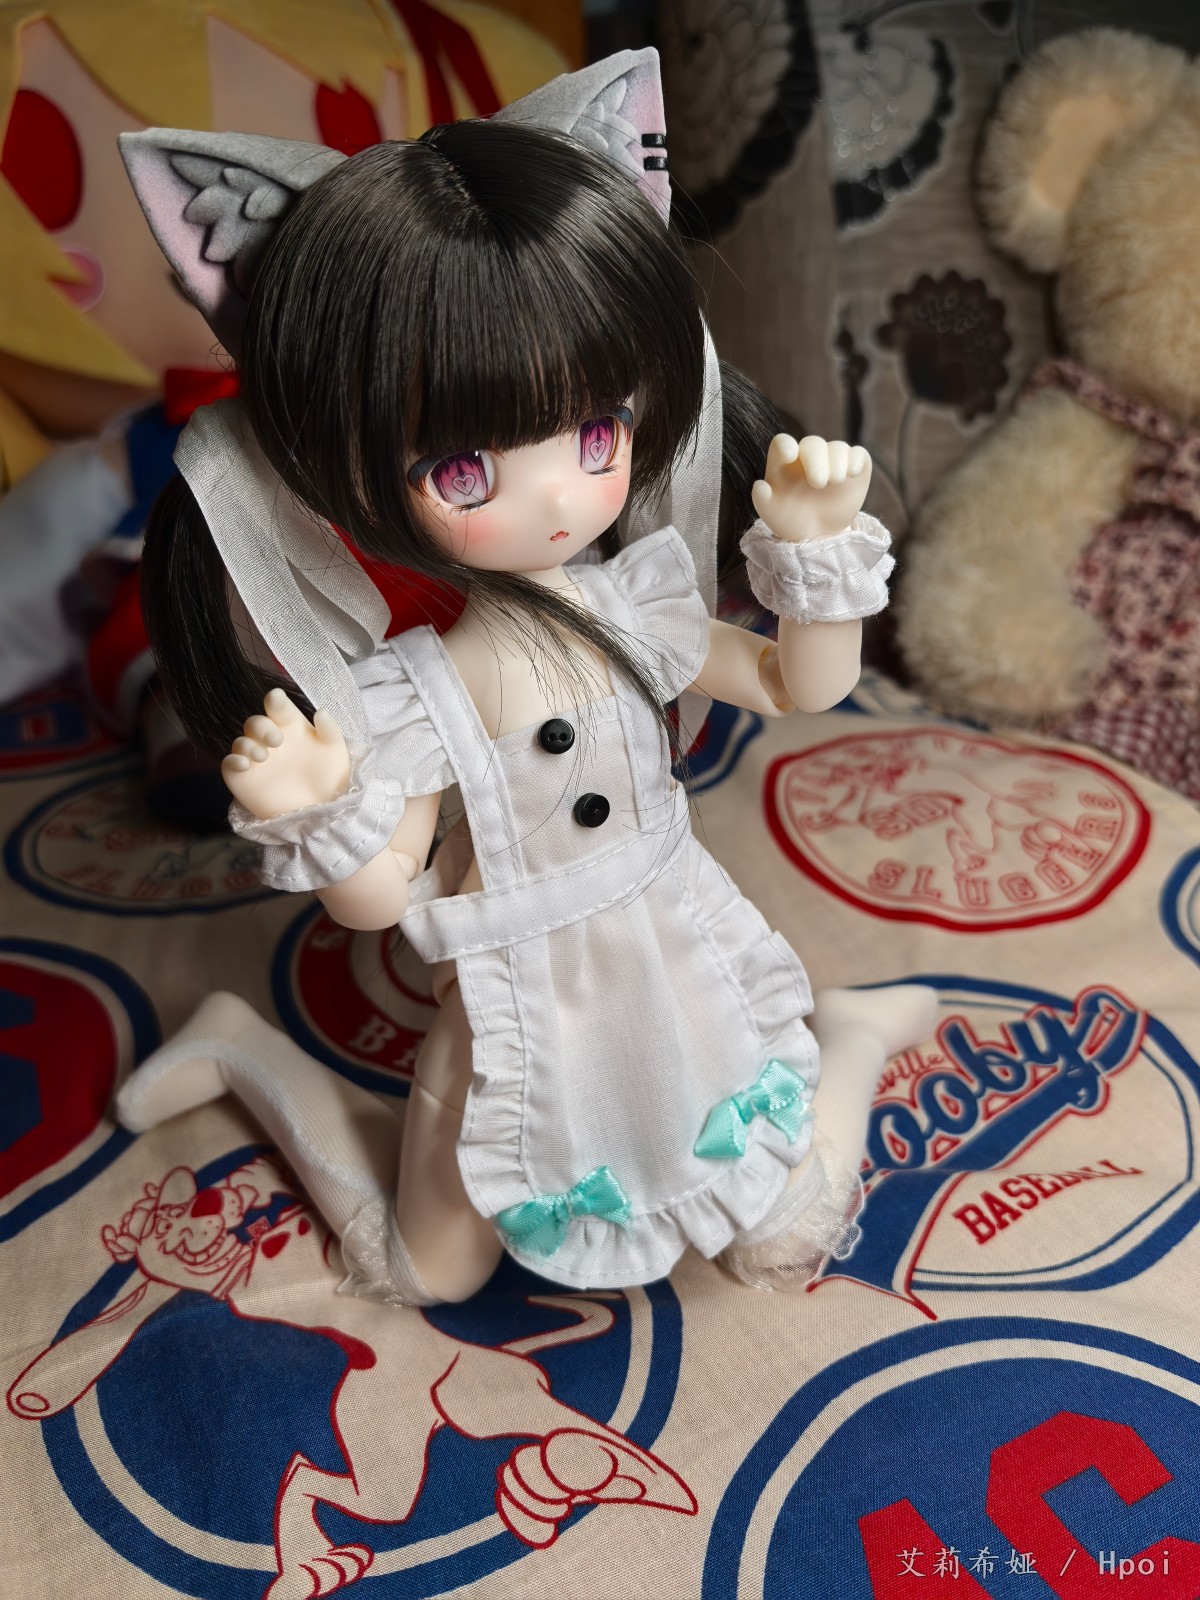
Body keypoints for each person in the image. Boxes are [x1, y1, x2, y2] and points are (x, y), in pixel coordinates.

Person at [116, 50, 937, 1303]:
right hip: (512, 997)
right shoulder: (417, 689)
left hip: (677, 955)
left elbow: (794, 686)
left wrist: (816, 567)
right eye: (464, 470)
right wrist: (319, 815)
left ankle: (852, 1031)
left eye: (598, 433)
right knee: (427, 1270)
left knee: (780, 1228)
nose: (559, 493)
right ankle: (243, 1053)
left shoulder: (632, 600)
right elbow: (379, 900)